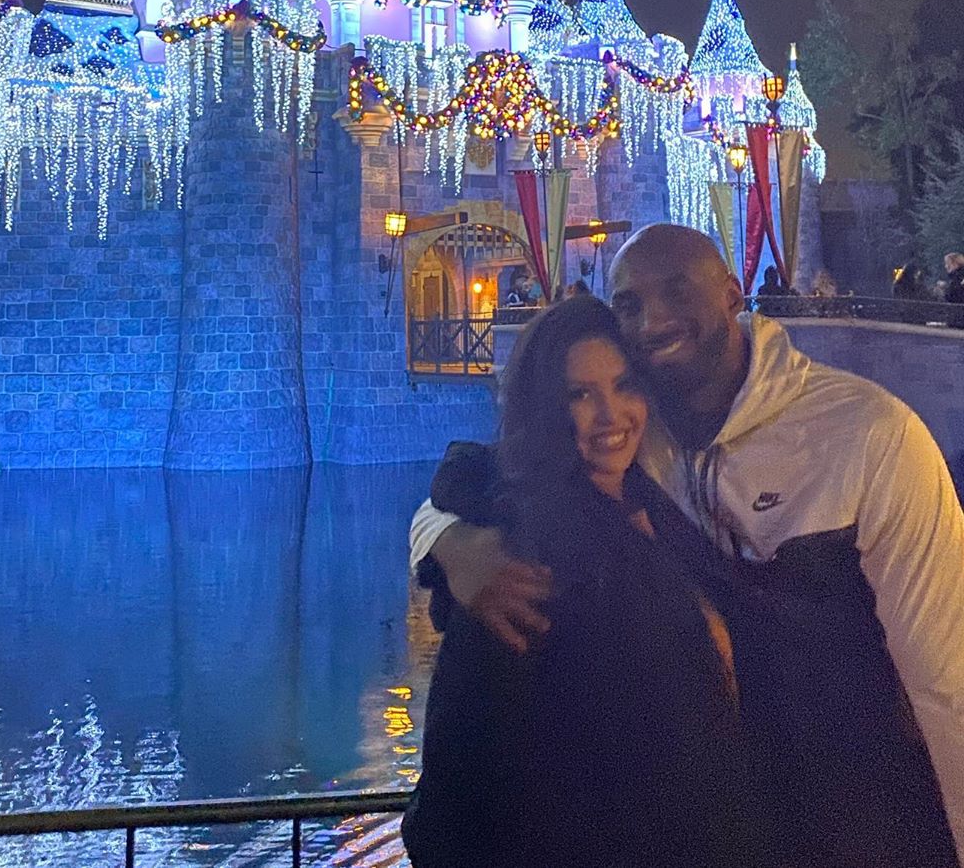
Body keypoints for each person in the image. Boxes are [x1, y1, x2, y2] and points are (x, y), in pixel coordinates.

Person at [410, 224, 964, 865]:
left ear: (734, 294)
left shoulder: (868, 434)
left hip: (864, 826)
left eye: (677, 290)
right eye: (630, 305)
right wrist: (449, 542)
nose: (653, 320)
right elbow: (490, 475)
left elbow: (945, 681)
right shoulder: (641, 443)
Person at [402, 295, 762, 868]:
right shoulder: (523, 561)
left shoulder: (654, 500)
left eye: (624, 385)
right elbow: (457, 802)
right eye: (580, 394)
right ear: (546, 407)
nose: (611, 414)